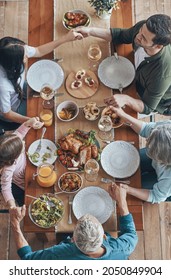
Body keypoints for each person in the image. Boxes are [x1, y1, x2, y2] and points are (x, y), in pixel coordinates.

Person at [75, 14, 171, 115]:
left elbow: (147, 107)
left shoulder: (161, 75)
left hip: (154, 99)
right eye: (141, 30)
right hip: (136, 72)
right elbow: (120, 35)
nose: (138, 36)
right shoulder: (144, 29)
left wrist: (126, 99)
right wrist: (90, 31)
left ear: (158, 46)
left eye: (143, 38)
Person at [9, 184, 138, 260]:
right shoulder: (121, 249)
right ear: (104, 236)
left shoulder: (61, 253)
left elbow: (27, 258)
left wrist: (15, 224)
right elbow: (131, 233)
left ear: (73, 240)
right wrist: (122, 202)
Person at [0, 30, 83, 127]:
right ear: (14, 64)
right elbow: (7, 113)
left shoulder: (14, 51)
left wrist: (65, 38)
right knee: (47, 115)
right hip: (14, 110)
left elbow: (39, 51)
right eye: (25, 56)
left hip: (21, 90)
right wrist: (29, 120)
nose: (27, 56)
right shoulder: (3, 86)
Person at [110, 105, 171, 203]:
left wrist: (129, 189)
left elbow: (156, 196)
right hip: (162, 158)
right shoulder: (166, 129)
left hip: (166, 181)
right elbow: (146, 128)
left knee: (135, 184)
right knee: (125, 163)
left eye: (150, 144)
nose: (146, 141)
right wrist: (124, 115)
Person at [0, 117, 44, 208]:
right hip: (27, 180)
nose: (24, 144)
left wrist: (28, 123)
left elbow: (19, 133)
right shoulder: (7, 170)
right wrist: (12, 206)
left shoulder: (13, 141)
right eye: (22, 148)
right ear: (15, 157)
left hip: (32, 164)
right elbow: (5, 189)